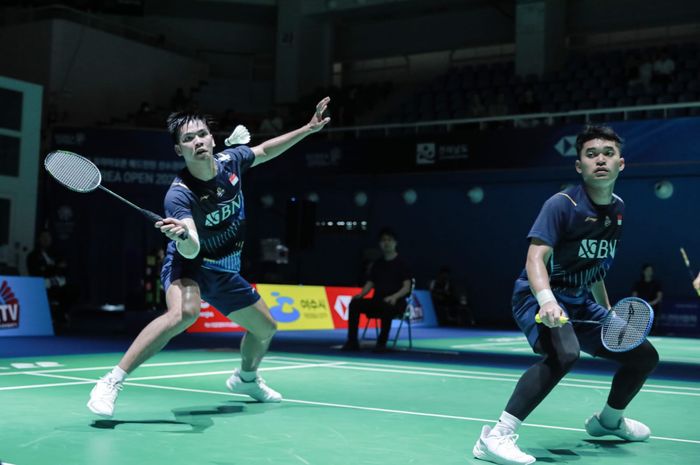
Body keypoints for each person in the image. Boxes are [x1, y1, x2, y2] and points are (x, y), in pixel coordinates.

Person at [86, 96, 332, 417]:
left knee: (265, 328)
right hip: (190, 264)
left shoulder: (231, 162)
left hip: (225, 268)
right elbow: (192, 248)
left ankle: (246, 378)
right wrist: (184, 236)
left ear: (212, 139)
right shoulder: (180, 194)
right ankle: (111, 381)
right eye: (188, 139)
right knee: (184, 314)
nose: (197, 141)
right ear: (179, 150)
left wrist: (308, 129)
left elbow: (266, 150)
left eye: (201, 134)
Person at [473, 125, 659, 465]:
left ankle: (609, 421)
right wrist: (547, 301)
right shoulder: (562, 204)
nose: (599, 159)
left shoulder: (617, 209)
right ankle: (495, 437)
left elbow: (596, 266)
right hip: (537, 296)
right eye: (590, 155)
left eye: (608, 153)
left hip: (580, 300)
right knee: (564, 353)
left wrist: (607, 313)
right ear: (579, 166)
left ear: (621, 164)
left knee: (644, 356)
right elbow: (534, 259)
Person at [341, 228, 412, 353]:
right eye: (383, 240)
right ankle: (352, 342)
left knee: (386, 306)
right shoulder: (377, 264)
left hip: (396, 303)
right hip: (378, 300)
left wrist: (394, 297)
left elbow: (407, 287)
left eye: (389, 240)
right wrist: (361, 294)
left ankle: (381, 344)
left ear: (395, 243)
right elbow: (370, 282)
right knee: (355, 304)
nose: (386, 243)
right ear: (380, 244)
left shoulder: (402, 263)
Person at [26, 230, 76, 332]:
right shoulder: (32, 256)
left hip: (58, 283)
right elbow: (36, 272)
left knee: (73, 290)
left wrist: (49, 268)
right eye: (43, 237)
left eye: (48, 237)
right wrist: (54, 268)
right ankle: (53, 317)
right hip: (42, 285)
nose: (46, 239)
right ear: (38, 239)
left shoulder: (56, 254)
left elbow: (64, 269)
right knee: (51, 292)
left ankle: (62, 314)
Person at [631, 263, 663, 332]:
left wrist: (649, 304)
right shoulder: (638, 284)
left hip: (653, 308)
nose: (649, 272)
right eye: (647, 270)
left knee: (652, 329)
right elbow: (634, 297)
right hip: (640, 308)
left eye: (651, 270)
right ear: (643, 271)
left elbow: (659, 298)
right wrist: (641, 305)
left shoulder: (656, 284)